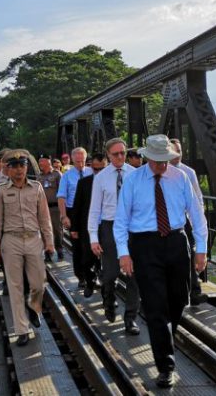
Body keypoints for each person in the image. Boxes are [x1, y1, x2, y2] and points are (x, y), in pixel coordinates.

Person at [114, 134, 208, 388]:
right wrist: (124, 253)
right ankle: (166, 366)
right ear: (147, 158)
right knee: (156, 307)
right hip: (144, 245)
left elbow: (197, 214)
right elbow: (121, 219)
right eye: (156, 161)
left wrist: (202, 249)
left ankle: (164, 335)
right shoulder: (133, 180)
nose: (161, 165)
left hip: (176, 242)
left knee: (179, 300)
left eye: (165, 160)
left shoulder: (181, 178)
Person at [0, 150, 55, 347]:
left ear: (27, 167)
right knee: (15, 286)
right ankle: (22, 330)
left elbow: (44, 217)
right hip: (11, 241)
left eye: (22, 166)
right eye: (15, 166)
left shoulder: (36, 188)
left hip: (34, 239)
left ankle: (34, 308)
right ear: (8, 170)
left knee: (38, 283)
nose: (19, 170)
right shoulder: (1, 190)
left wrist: (49, 241)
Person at [89, 138, 141, 335]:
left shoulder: (136, 174)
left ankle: (130, 319)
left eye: (123, 153)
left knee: (133, 274)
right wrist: (93, 237)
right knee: (110, 274)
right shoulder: (101, 178)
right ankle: (108, 299)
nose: (120, 157)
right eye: (115, 154)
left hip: (132, 227)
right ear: (108, 155)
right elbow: (94, 210)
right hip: (109, 227)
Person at [168, 138, 209, 306]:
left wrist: (198, 216)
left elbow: (197, 196)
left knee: (190, 253)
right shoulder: (160, 171)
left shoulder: (188, 172)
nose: (178, 154)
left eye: (180, 151)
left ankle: (195, 290)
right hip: (167, 221)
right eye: (174, 151)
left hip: (185, 220)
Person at [71, 153, 106, 296]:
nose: (98, 172)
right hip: (88, 227)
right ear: (91, 167)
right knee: (87, 257)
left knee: (106, 260)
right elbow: (77, 206)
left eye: (101, 169)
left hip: (106, 227)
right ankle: (90, 282)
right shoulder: (84, 183)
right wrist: (74, 228)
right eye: (95, 169)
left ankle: (106, 294)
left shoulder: (113, 182)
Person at [57, 147, 93, 284]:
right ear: (72, 160)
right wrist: (64, 216)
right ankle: (81, 276)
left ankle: (92, 273)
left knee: (92, 244)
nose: (80, 164)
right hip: (74, 213)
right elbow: (61, 197)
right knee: (78, 246)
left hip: (90, 211)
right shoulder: (66, 176)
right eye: (77, 161)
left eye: (83, 161)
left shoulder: (91, 172)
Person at [37, 156, 64, 261]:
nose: (40, 164)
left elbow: (62, 192)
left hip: (55, 207)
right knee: (44, 229)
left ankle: (59, 249)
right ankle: (48, 252)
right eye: (39, 162)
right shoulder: (39, 176)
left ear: (48, 163)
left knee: (57, 229)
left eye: (41, 162)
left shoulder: (57, 174)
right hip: (43, 208)